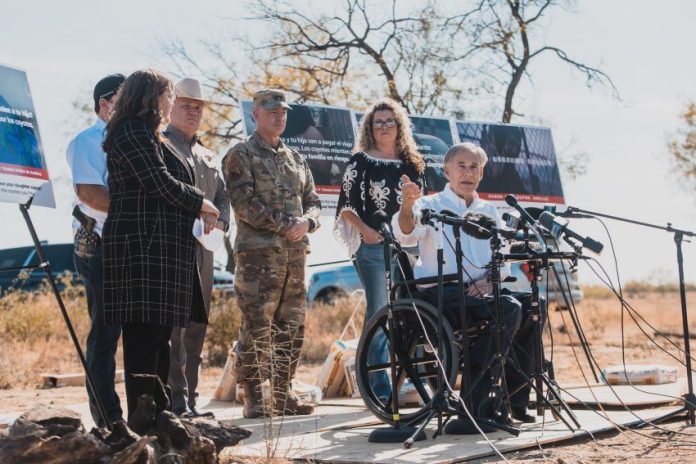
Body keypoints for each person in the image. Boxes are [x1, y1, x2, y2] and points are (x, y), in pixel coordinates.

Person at [101, 69, 220, 424]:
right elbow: (158, 181)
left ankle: (162, 413)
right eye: (169, 96)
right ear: (152, 97)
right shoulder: (129, 132)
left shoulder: (148, 136)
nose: (171, 104)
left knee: (161, 337)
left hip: (161, 251)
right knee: (143, 337)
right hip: (141, 250)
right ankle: (143, 415)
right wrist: (201, 201)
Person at [393, 142, 542, 423]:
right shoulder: (429, 205)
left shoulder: (489, 210)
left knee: (535, 304)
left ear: (481, 173)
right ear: (447, 171)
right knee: (508, 308)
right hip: (438, 293)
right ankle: (476, 405)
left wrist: (488, 280)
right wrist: (407, 204)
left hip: (481, 291)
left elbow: (502, 254)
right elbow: (405, 236)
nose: (467, 172)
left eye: (474, 166)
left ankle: (515, 399)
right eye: (461, 166)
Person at [223, 89, 321, 418]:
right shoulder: (242, 154)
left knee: (291, 326)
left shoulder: (295, 158)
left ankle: (283, 395)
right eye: (272, 111)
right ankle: (253, 397)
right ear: (256, 114)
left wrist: (307, 222)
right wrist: (286, 224)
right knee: (256, 326)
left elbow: (314, 201)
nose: (279, 116)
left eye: (283, 112)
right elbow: (244, 205)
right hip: (258, 259)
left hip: (295, 257)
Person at [334, 98, 427, 399]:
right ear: (369, 128)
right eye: (378, 122)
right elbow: (345, 206)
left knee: (410, 313)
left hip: (408, 248)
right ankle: (377, 389)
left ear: (399, 125)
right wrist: (366, 231)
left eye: (390, 121)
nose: (384, 126)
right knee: (379, 313)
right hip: (373, 247)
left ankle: (412, 380)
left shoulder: (412, 164)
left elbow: (424, 206)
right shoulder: (360, 161)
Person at [162, 78, 230, 417]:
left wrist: (220, 222)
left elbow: (222, 196)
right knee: (174, 329)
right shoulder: (161, 145)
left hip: (205, 252)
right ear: (171, 107)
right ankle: (175, 403)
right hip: (174, 249)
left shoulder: (207, 153)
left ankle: (191, 402)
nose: (193, 111)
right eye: (186, 105)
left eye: (198, 107)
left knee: (196, 328)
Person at [66, 73, 125, 428]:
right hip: (98, 246)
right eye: (124, 99)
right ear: (104, 104)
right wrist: (136, 207)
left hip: (130, 247)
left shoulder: (135, 142)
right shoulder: (86, 141)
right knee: (105, 334)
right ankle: (107, 419)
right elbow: (89, 193)